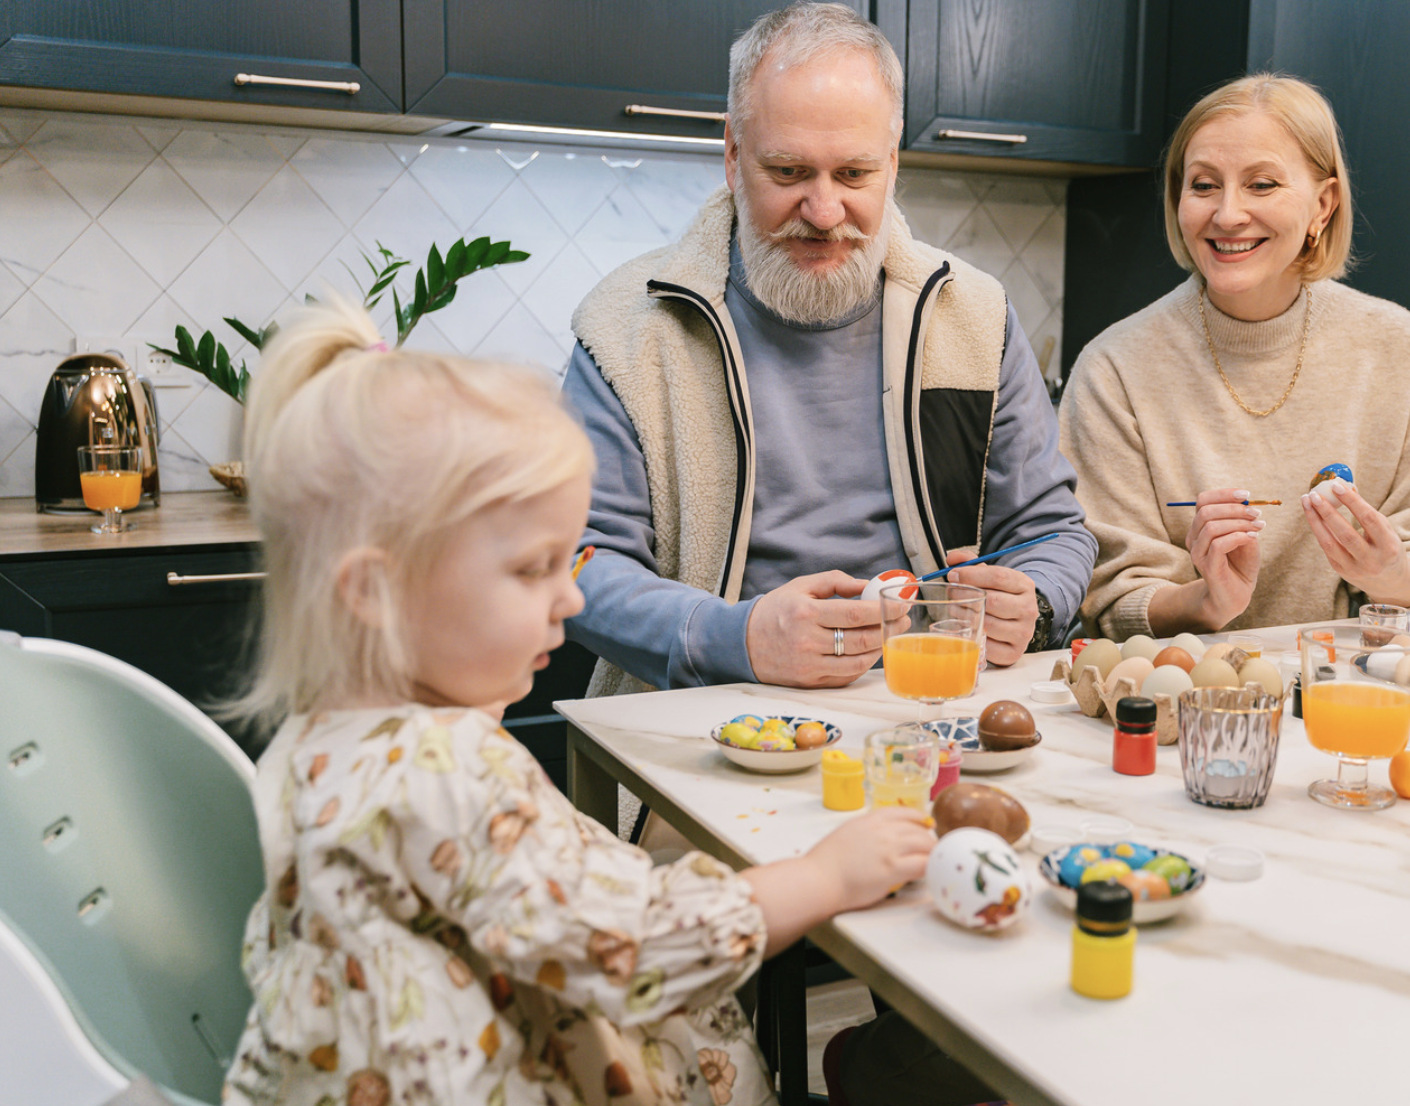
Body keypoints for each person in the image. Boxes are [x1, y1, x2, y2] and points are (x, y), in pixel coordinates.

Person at [221, 297, 936, 1106]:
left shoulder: (319, 739)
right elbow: (635, 945)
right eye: (533, 569)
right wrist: (826, 877)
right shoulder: (450, 768)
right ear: (375, 593)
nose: (569, 599)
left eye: (573, 562)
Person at [562, 0, 1096, 695]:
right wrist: (737, 638)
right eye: (788, 172)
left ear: (894, 163)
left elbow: (1055, 530)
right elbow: (577, 560)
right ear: (731, 155)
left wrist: (1038, 599)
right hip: (706, 716)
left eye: (854, 175)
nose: (823, 212)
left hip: (934, 709)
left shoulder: (975, 313)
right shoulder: (626, 326)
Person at [1060, 74, 1410, 637]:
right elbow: (1110, 595)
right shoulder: (1114, 369)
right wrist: (1207, 602)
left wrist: (1394, 573)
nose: (1228, 214)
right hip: (1182, 698)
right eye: (1204, 185)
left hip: (1346, 688)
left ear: (1322, 206)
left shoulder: (1393, 347)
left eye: (1262, 184)